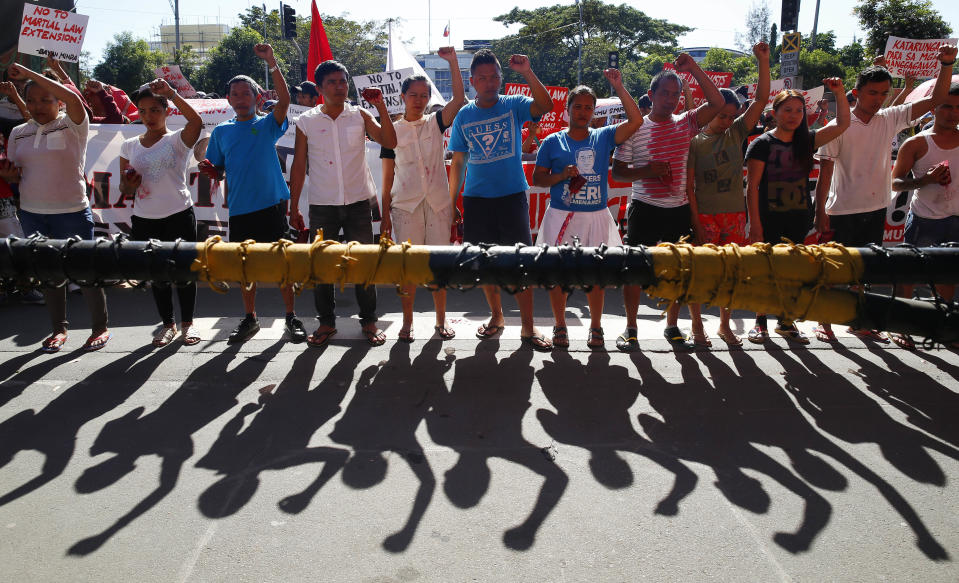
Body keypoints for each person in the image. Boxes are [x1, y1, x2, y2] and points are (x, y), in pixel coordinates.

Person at [812, 44, 957, 343]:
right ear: (857, 91)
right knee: (835, 269)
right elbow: (825, 173)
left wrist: (946, 64)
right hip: (841, 210)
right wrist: (820, 213)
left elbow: (938, 98)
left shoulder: (890, 118)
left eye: (883, 93)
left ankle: (859, 321)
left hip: (876, 207)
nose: (878, 99)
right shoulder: (838, 124)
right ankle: (823, 323)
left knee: (866, 270)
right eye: (872, 93)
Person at [610, 52, 725, 352]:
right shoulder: (634, 127)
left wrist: (693, 69)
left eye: (676, 95)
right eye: (665, 94)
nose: (671, 100)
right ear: (651, 95)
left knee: (679, 270)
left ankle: (672, 326)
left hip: (679, 209)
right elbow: (618, 172)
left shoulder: (686, 123)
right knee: (634, 268)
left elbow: (717, 104)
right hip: (644, 208)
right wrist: (647, 170)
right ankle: (630, 328)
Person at [198, 43, 307, 344]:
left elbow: (285, 99)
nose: (240, 98)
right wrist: (212, 171)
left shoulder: (267, 124)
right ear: (229, 99)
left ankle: (290, 316)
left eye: (246, 93)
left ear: (258, 98)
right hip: (240, 209)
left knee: (281, 263)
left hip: (272, 206)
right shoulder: (221, 132)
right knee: (246, 269)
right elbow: (217, 169)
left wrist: (272, 62)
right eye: (235, 94)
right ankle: (251, 318)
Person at [447, 49, 555, 351]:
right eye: (482, 78)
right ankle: (497, 317)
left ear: (501, 79)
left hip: (511, 197)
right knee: (484, 264)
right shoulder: (464, 115)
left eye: (494, 76)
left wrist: (528, 72)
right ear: (472, 82)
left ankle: (529, 327)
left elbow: (545, 105)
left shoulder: (514, 105)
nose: (489, 82)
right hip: (476, 200)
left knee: (521, 262)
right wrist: (452, 200)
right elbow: (458, 161)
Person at [0, 63, 109, 352]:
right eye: (32, 100)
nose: (37, 106)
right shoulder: (18, 133)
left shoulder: (73, 123)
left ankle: (100, 327)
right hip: (34, 214)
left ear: (58, 101)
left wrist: (31, 73)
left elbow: (74, 100)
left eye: (45, 99)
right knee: (49, 274)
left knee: (86, 272)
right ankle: (58, 330)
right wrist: (10, 178)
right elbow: (16, 175)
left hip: (72, 211)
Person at [532, 69, 643, 349]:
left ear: (594, 112)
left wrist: (618, 85)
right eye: (577, 106)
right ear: (568, 110)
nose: (582, 112)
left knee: (598, 274)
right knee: (559, 274)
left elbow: (636, 120)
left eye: (588, 107)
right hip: (561, 216)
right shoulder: (552, 142)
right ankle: (560, 326)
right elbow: (537, 178)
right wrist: (561, 176)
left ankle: (596, 327)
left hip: (596, 216)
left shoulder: (603, 136)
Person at [289, 59, 396, 347]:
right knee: (321, 266)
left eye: (342, 81)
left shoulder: (360, 114)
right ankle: (326, 323)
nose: (338, 87)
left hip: (359, 203)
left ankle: (369, 321)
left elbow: (389, 140)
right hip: (322, 205)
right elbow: (299, 166)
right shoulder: (306, 121)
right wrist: (293, 206)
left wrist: (381, 107)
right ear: (321, 88)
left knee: (362, 264)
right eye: (331, 82)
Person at [744, 79, 850, 344]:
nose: (794, 115)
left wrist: (838, 93)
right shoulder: (761, 144)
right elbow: (752, 187)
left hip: (798, 216)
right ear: (775, 113)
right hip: (768, 217)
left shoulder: (808, 140)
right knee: (766, 270)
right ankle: (760, 323)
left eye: (799, 111)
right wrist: (754, 224)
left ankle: (786, 321)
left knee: (792, 271)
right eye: (788, 110)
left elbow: (842, 124)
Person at [378, 47, 465, 342]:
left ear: (429, 99)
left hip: (438, 204)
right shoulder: (390, 132)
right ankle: (407, 323)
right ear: (402, 97)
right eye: (413, 95)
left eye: (423, 95)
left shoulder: (435, 122)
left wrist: (453, 63)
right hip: (405, 207)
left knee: (438, 267)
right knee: (408, 269)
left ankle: (441, 321)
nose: (418, 100)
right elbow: (387, 175)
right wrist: (385, 212)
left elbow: (459, 100)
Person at [687, 42, 771, 347]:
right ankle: (697, 326)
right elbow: (690, 187)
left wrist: (763, 61)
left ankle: (725, 325)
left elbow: (761, 98)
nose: (725, 121)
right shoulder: (695, 141)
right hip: (705, 216)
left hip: (734, 216)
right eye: (720, 115)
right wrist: (696, 220)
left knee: (730, 273)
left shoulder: (737, 133)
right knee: (700, 272)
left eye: (730, 116)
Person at [118, 79, 203, 347]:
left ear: (167, 110)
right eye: (142, 111)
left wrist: (172, 93)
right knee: (158, 275)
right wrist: (129, 185)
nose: (148, 116)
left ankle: (188, 324)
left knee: (184, 274)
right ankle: (168, 325)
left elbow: (196, 123)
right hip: (144, 219)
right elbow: (123, 186)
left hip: (179, 214)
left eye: (155, 109)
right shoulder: (129, 145)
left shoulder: (176, 140)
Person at [888, 82, 959, 348]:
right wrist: (925, 180)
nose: (953, 113)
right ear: (935, 108)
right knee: (909, 274)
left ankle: (945, 328)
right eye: (947, 107)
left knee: (948, 278)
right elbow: (895, 183)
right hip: (924, 219)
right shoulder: (917, 143)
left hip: (956, 220)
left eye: (958, 108)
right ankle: (903, 327)